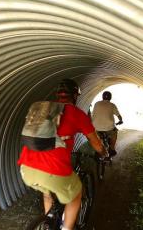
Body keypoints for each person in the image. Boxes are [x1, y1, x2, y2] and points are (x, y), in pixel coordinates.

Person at [17, 79, 108, 230]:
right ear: (75, 96)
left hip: (26, 168)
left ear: (58, 95)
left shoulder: (45, 111)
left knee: (48, 192)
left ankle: (48, 222)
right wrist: (103, 153)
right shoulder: (76, 114)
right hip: (52, 171)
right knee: (76, 194)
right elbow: (96, 143)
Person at [91, 91, 123, 156]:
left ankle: (98, 149)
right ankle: (112, 148)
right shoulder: (112, 105)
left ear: (102, 97)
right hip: (109, 128)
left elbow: (93, 114)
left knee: (98, 138)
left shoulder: (96, 104)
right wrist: (121, 120)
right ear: (110, 97)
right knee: (114, 132)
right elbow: (118, 116)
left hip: (96, 127)